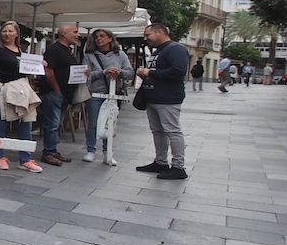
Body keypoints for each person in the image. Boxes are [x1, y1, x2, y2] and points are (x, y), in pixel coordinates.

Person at [0, 21, 43, 173]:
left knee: (26, 123)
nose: (7, 34)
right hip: (4, 89)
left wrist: (39, 64)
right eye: (4, 31)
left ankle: (26, 159)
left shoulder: (21, 52)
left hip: (22, 91)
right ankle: (0, 156)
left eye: (10, 31)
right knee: (1, 124)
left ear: (16, 33)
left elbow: (27, 71)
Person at [136, 23, 190, 180]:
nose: (146, 39)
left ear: (160, 32)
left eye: (148, 35)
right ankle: (160, 162)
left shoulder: (175, 48)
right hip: (154, 97)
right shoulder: (159, 50)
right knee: (158, 131)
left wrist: (150, 72)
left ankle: (179, 167)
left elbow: (178, 71)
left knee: (172, 131)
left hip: (168, 97)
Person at [83, 28, 134, 163]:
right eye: (96, 37)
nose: (99, 39)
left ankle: (107, 151)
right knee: (93, 122)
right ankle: (90, 150)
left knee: (109, 123)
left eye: (102, 36)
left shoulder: (120, 55)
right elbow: (85, 75)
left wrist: (119, 72)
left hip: (113, 93)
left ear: (110, 38)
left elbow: (130, 73)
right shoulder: (89, 55)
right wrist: (103, 72)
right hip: (95, 93)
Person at [40, 23, 79, 165]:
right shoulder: (54, 50)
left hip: (64, 94)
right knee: (52, 124)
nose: (77, 35)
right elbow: (48, 71)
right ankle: (48, 152)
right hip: (54, 93)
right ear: (64, 34)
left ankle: (53, 150)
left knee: (56, 124)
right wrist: (56, 89)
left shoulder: (68, 50)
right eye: (74, 32)